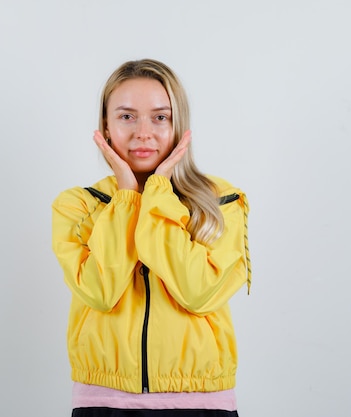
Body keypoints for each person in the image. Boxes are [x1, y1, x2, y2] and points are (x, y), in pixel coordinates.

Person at [51, 59, 251, 417]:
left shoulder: (221, 201)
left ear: (179, 126)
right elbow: (99, 292)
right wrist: (127, 197)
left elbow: (198, 292)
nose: (144, 132)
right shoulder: (78, 205)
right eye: (127, 117)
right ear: (106, 128)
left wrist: (156, 192)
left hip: (202, 403)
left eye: (160, 117)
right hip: (104, 402)